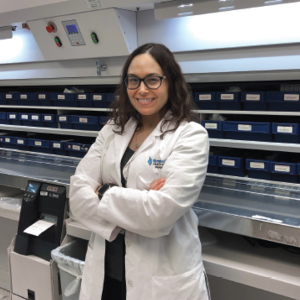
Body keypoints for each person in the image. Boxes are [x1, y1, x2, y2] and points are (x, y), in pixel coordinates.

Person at [69, 43, 210, 300]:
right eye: (133, 80)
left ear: (171, 82)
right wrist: (140, 202)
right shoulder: (113, 129)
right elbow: (78, 196)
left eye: (152, 80)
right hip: (106, 275)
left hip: (160, 280)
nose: (142, 89)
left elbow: (160, 212)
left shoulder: (190, 135)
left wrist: (103, 191)